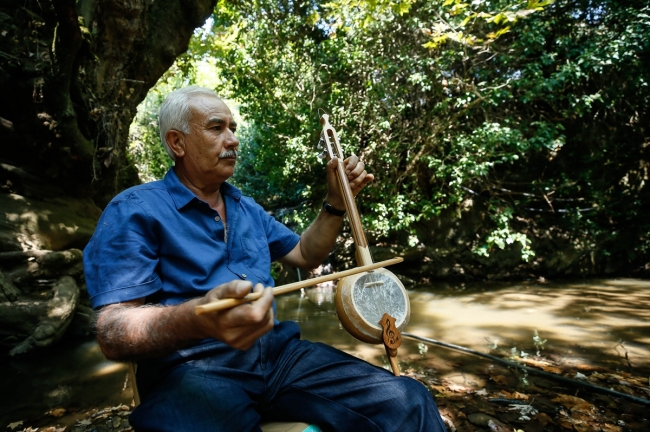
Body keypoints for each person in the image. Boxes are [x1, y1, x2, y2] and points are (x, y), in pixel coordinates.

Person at [83, 86, 447, 432]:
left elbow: (306, 254)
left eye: (233, 128)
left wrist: (336, 202)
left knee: (407, 400)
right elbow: (112, 330)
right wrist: (197, 319)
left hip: (279, 355)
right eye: (216, 128)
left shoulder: (247, 208)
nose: (233, 139)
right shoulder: (135, 209)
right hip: (191, 367)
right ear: (177, 142)